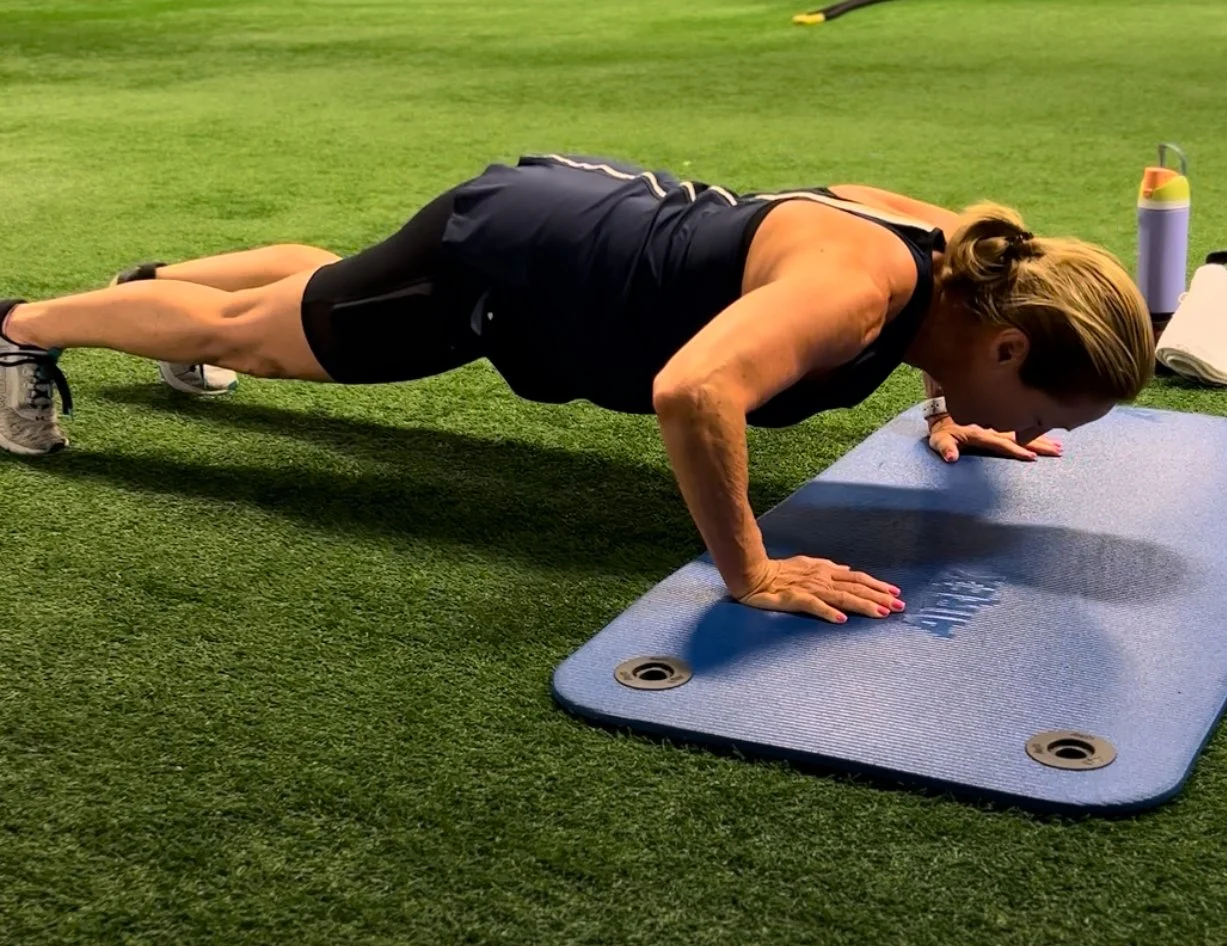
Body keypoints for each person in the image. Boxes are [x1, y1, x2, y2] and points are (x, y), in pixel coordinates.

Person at [0, 153, 1155, 623]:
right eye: (1047, 413)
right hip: (508, 265)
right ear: (1009, 349)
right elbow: (693, 390)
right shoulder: (859, 294)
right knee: (269, 337)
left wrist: (957, 411)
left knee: (327, 292)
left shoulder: (965, 256)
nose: (1039, 431)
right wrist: (748, 570)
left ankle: (143, 292)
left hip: (565, 214)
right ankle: (24, 329)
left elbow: (879, 255)